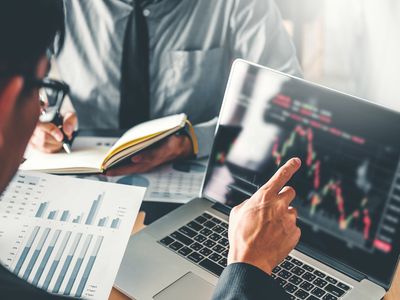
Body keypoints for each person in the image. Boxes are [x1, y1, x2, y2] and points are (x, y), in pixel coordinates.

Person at [1, 1, 301, 299]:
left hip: (197, 195)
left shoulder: (240, 5)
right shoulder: (52, 7)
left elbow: (288, 103)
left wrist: (194, 139)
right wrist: (41, 117)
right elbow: (18, 61)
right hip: (85, 194)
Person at [29, 0, 302, 176]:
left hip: (197, 168)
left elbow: (287, 104)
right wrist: (33, 119)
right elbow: (12, 79)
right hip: (84, 165)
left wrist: (194, 140)